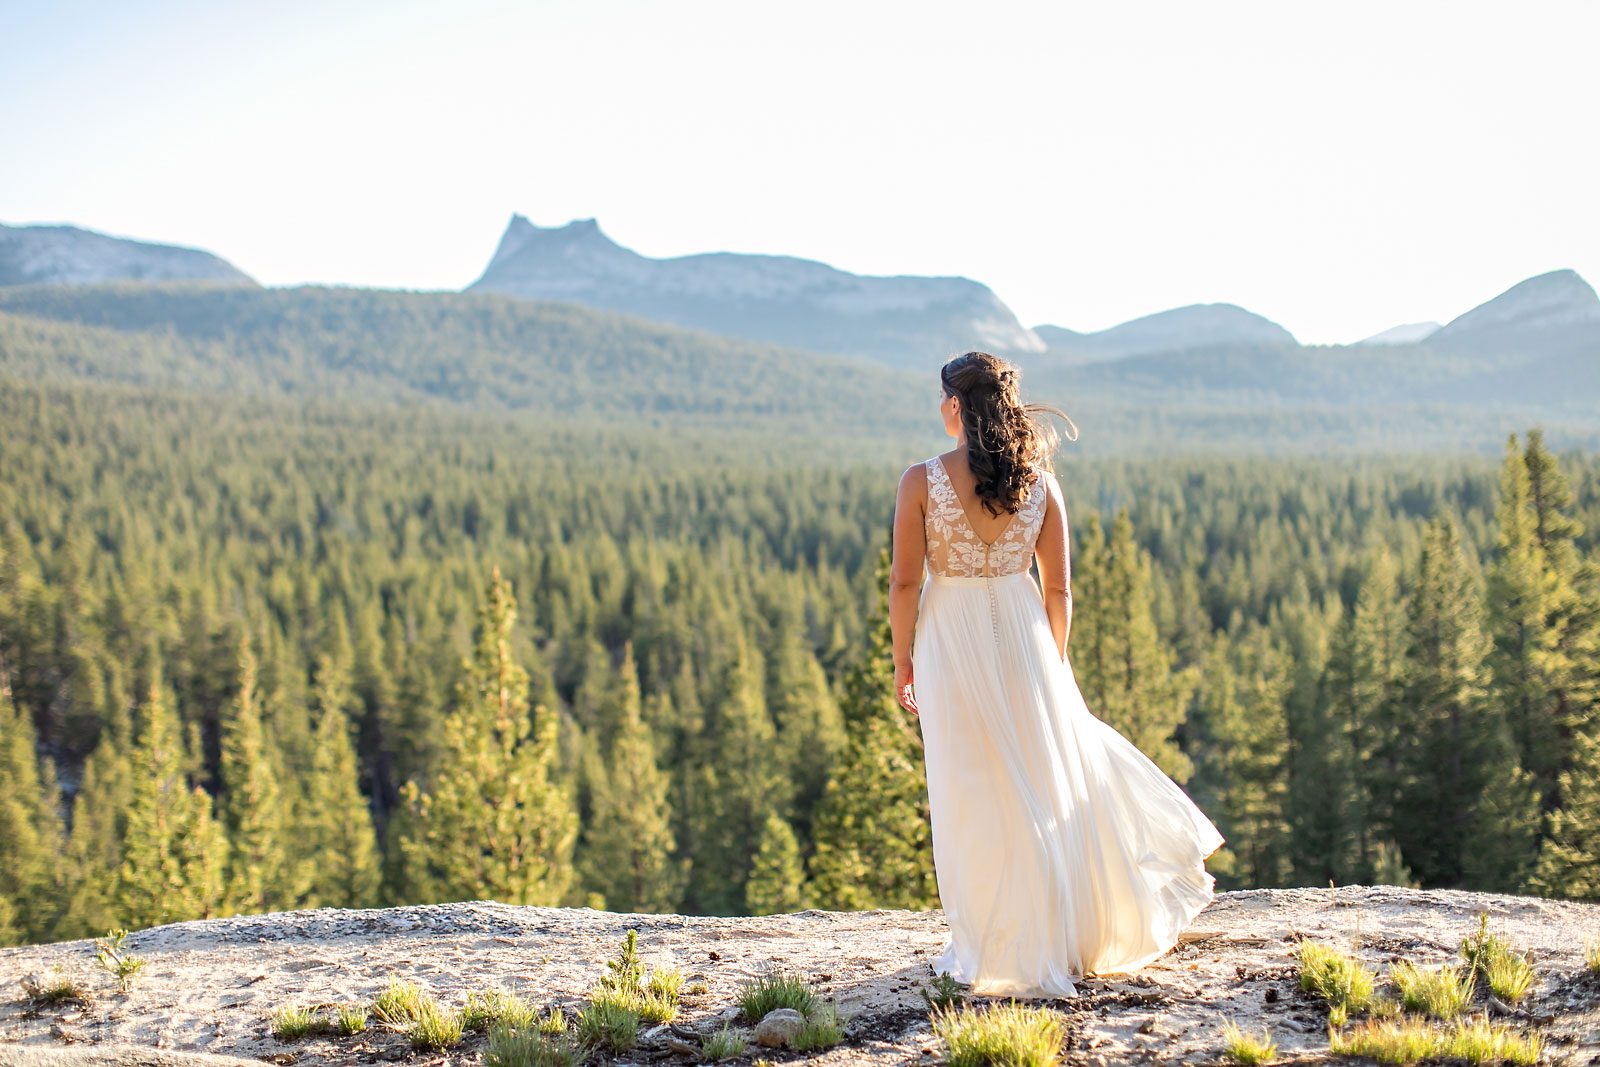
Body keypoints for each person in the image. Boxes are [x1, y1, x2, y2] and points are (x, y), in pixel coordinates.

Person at [889, 350, 1224, 998]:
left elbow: (905, 581)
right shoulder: (1040, 484)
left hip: (949, 641)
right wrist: (1054, 662)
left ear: (956, 406)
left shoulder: (919, 481)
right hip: (1025, 638)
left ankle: (987, 940)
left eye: (941, 398)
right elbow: (1060, 590)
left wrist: (903, 657)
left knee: (968, 788)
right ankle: (1046, 931)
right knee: (1037, 788)